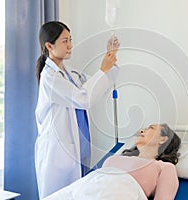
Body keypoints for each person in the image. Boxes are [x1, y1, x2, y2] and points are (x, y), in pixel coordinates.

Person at [34, 21, 120, 199]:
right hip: (57, 153)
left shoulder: (70, 74)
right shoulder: (50, 78)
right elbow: (83, 99)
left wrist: (110, 57)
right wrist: (103, 69)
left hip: (79, 147)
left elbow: (98, 87)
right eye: (65, 41)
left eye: (70, 39)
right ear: (49, 46)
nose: (70, 45)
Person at [103, 123, 181, 200]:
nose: (141, 131)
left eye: (151, 128)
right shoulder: (115, 158)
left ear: (163, 139)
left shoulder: (165, 167)